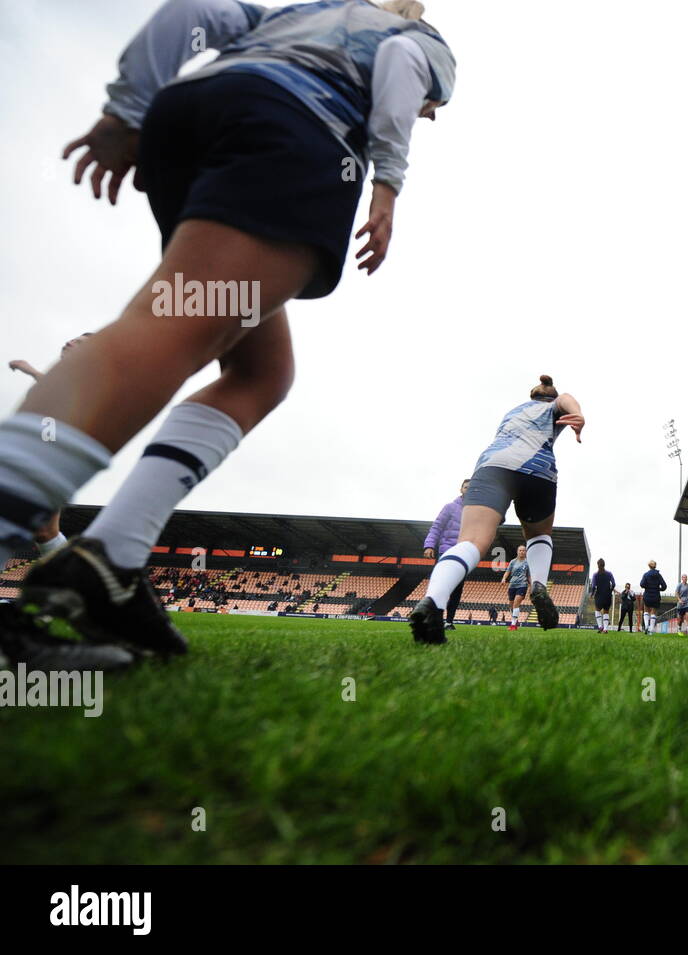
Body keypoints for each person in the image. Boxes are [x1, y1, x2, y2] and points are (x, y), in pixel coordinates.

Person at [0, 0, 456, 673]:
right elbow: (396, 66)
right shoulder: (417, 36)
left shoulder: (294, 12)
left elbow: (193, 11)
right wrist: (387, 182)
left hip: (193, 112)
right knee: (173, 328)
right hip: (291, 131)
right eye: (432, 108)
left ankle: (111, 559)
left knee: (259, 371)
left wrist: (130, 107)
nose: (431, 111)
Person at [410, 376, 585, 644]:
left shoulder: (512, 412)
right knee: (539, 535)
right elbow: (565, 398)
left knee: (472, 541)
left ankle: (432, 601)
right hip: (538, 469)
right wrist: (578, 413)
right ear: (550, 398)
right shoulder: (552, 406)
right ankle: (538, 584)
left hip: (493, 466)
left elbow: (558, 397)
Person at [7, 334, 94, 559]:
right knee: (42, 531)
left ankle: (74, 576)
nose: (70, 342)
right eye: (72, 338)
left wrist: (30, 370)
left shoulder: (86, 378)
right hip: (32, 455)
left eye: (79, 343)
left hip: (53, 461)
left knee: (44, 531)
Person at [423, 478, 469, 629]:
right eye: (466, 487)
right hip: (446, 551)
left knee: (457, 590)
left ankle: (449, 621)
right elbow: (436, 527)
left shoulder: (477, 510)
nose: (468, 489)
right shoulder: (450, 507)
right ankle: (435, 619)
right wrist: (429, 546)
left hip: (464, 554)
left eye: (471, 487)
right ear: (461, 489)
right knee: (440, 586)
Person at [500, 545, 531, 631]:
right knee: (511, 606)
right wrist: (504, 578)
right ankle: (515, 621)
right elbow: (508, 571)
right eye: (520, 550)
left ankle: (513, 625)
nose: (522, 552)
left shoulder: (527, 563)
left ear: (526, 552)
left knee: (516, 604)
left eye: (523, 550)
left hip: (522, 585)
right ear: (517, 551)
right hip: (512, 585)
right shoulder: (512, 562)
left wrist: (531, 585)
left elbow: (528, 575)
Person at [639, 560, 667, 633]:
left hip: (647, 595)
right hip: (656, 595)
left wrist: (647, 587)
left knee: (646, 610)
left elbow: (642, 584)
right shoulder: (658, 575)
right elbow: (664, 586)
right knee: (653, 612)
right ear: (655, 566)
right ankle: (651, 629)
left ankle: (646, 626)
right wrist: (659, 589)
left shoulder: (646, 574)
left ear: (649, 566)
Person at [589, 558, 616, 633]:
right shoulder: (609, 573)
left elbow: (594, 586)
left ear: (598, 565)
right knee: (606, 611)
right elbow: (613, 584)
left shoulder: (595, 575)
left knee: (597, 610)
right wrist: (610, 590)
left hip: (599, 595)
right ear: (604, 565)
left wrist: (592, 594)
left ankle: (600, 626)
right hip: (607, 595)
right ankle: (605, 629)